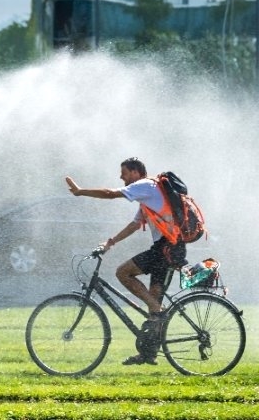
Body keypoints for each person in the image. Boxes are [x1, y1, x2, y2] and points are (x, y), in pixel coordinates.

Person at [65, 157, 186, 366]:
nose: (121, 177)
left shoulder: (145, 185)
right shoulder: (150, 193)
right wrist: (110, 242)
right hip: (170, 248)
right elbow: (135, 224)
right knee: (153, 303)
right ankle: (148, 354)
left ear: (136, 172)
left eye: (125, 173)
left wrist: (81, 191)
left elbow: (110, 194)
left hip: (167, 248)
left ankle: (157, 310)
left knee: (123, 273)